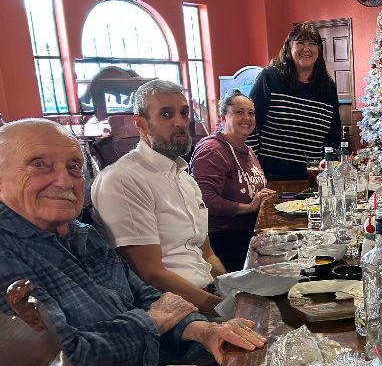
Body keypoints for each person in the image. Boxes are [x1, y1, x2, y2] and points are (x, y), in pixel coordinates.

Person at [0, 118, 265, 366]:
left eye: (74, 166)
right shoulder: (6, 257)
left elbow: (145, 294)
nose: (63, 179)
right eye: (39, 164)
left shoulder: (79, 232)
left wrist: (201, 330)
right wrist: (150, 323)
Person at [92, 79, 225, 315]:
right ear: (141, 124)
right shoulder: (123, 179)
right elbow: (149, 273)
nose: (179, 122)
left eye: (183, 113)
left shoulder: (185, 178)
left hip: (209, 294)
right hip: (175, 313)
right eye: (166, 114)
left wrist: (233, 291)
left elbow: (206, 253)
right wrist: (222, 309)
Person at [191, 89, 275, 272]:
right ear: (223, 116)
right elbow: (204, 201)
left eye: (251, 113)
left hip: (249, 235)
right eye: (239, 112)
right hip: (225, 242)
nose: (247, 117)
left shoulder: (248, 150)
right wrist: (249, 208)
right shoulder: (212, 150)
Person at [247, 22, 341, 180]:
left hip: (312, 180)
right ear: (289, 47)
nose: (306, 49)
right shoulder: (270, 78)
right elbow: (251, 125)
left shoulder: (328, 87)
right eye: (300, 43)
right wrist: (254, 169)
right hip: (270, 179)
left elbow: (333, 135)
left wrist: (326, 168)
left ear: (319, 49)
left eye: (312, 43)